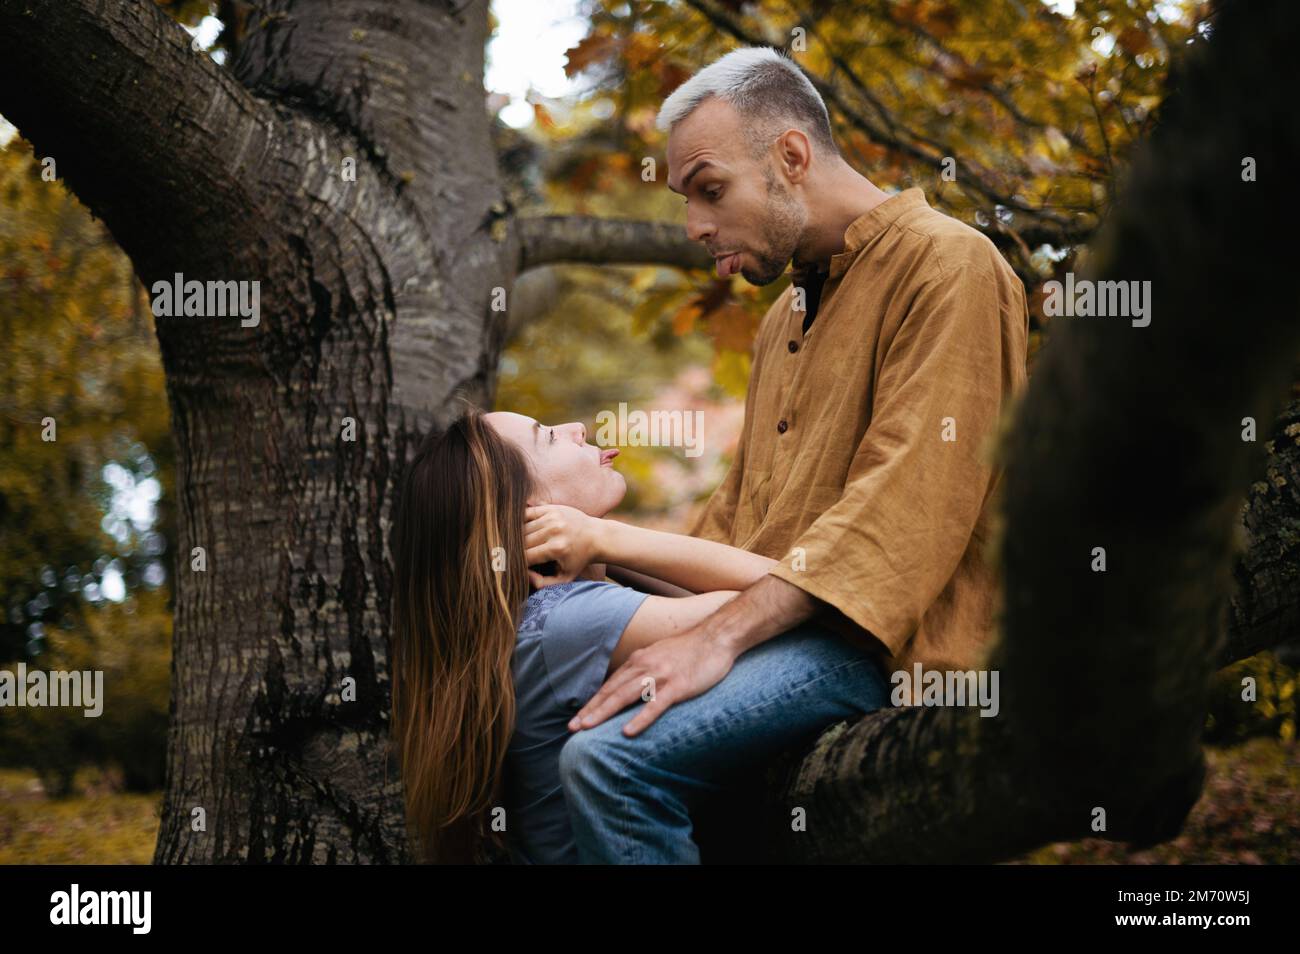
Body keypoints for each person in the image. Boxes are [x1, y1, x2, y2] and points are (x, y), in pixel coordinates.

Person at [553, 45, 1030, 862]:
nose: (697, 227)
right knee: (547, 712)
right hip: (782, 635)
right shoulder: (785, 318)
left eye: (710, 190)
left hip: (884, 645)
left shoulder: (949, 264)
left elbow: (899, 514)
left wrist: (716, 639)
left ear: (792, 156)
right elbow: (734, 526)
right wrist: (583, 559)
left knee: (608, 762)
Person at [388, 403, 888, 864]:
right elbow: (800, 596)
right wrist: (610, 535)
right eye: (547, 438)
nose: (577, 428)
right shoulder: (568, 622)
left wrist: (604, 544)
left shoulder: (545, 618)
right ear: (529, 511)